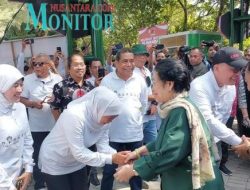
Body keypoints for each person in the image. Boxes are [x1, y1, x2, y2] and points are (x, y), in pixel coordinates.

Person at [114, 59, 224, 190]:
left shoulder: (180, 111)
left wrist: (133, 169)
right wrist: (137, 153)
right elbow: (165, 140)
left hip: (190, 183)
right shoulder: (177, 106)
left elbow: (170, 152)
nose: (152, 89)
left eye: (154, 83)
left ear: (169, 84)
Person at [39, 86, 129, 190]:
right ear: (100, 108)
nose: (111, 121)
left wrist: (120, 157)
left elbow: (103, 146)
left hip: (77, 162)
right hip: (55, 161)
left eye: (114, 117)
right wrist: (112, 158)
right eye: (110, 117)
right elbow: (79, 153)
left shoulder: (103, 119)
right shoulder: (74, 116)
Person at [189, 47, 248, 175]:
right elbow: (208, 121)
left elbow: (223, 118)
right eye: (233, 69)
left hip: (216, 141)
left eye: (240, 69)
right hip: (196, 144)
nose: (238, 74)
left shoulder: (231, 87)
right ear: (216, 68)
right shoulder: (199, 86)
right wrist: (239, 141)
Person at [100, 48, 148, 190]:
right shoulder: (107, 81)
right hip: (113, 136)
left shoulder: (140, 80)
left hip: (135, 135)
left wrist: (134, 118)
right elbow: (101, 107)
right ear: (116, 62)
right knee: (109, 172)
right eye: (125, 61)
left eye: (131, 61)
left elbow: (144, 104)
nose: (129, 64)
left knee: (135, 172)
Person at [20, 54, 62, 190]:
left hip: (55, 126)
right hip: (36, 127)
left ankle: (55, 182)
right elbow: (21, 99)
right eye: (35, 64)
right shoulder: (27, 79)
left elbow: (63, 100)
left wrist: (55, 100)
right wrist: (32, 103)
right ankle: (40, 184)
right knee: (37, 156)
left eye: (40, 64)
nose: (37, 67)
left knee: (55, 155)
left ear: (49, 65)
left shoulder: (57, 79)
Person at [0, 64, 34, 190]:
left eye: (21, 84)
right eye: (15, 85)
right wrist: (8, 187)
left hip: (18, 177)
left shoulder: (19, 107)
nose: (20, 90)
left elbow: (26, 139)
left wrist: (28, 168)